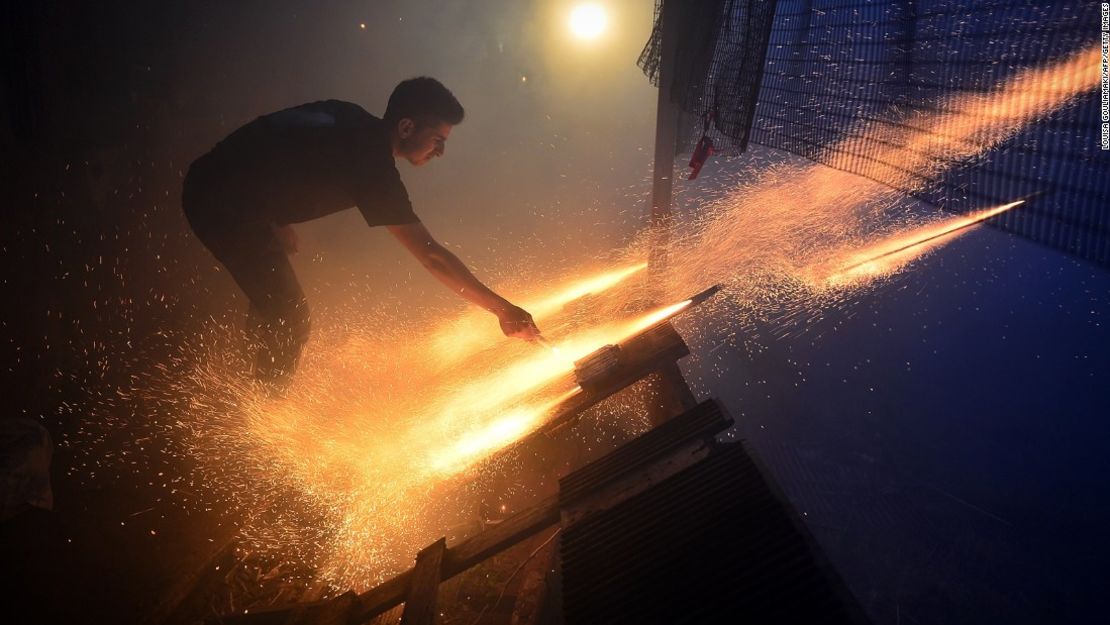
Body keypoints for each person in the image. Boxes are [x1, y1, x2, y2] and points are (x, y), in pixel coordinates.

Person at [182, 77, 540, 386]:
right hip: (219, 203)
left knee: (275, 306)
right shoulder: (373, 169)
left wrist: (274, 215)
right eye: (437, 139)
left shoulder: (348, 114)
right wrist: (503, 310)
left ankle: (249, 386)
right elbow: (431, 256)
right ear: (406, 127)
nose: (440, 152)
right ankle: (260, 417)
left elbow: (277, 134)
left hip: (219, 186)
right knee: (290, 315)